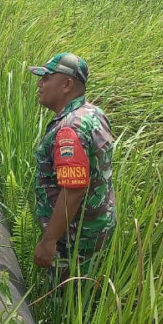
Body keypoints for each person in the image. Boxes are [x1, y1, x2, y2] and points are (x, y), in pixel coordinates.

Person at [30, 53, 116, 278]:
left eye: (46, 78)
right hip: (95, 227)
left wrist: (49, 242)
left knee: (68, 301)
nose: (40, 84)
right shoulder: (93, 114)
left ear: (67, 84)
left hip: (75, 238)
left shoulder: (70, 129)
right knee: (86, 294)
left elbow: (74, 191)